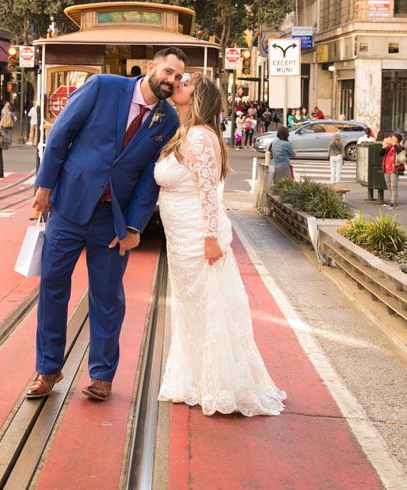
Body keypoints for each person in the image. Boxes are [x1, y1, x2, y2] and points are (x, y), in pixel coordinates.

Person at [28, 48, 186, 402]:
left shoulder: (169, 120)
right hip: (68, 206)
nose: (172, 81)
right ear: (151, 68)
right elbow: (61, 134)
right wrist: (45, 186)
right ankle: (47, 368)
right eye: (168, 72)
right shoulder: (102, 86)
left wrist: (134, 227)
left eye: (178, 78)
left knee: (108, 298)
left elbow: (149, 178)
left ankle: (102, 375)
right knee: (52, 289)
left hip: (111, 218)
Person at [154, 72, 285, 416]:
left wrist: (210, 238)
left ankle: (215, 383)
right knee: (191, 307)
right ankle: (196, 378)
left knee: (207, 306)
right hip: (181, 238)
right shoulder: (188, 133)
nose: (177, 86)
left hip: (197, 238)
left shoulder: (197, 137)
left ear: (198, 99)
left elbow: (210, 192)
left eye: (185, 85)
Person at [380, 134, 404, 210]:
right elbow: (380, 154)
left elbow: (400, 152)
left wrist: (394, 145)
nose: (393, 139)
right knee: (389, 187)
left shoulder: (401, 147)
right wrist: (383, 148)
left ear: (398, 139)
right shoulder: (389, 147)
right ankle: (392, 202)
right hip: (386, 169)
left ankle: (393, 203)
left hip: (394, 169)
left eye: (394, 138)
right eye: (392, 138)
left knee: (393, 186)